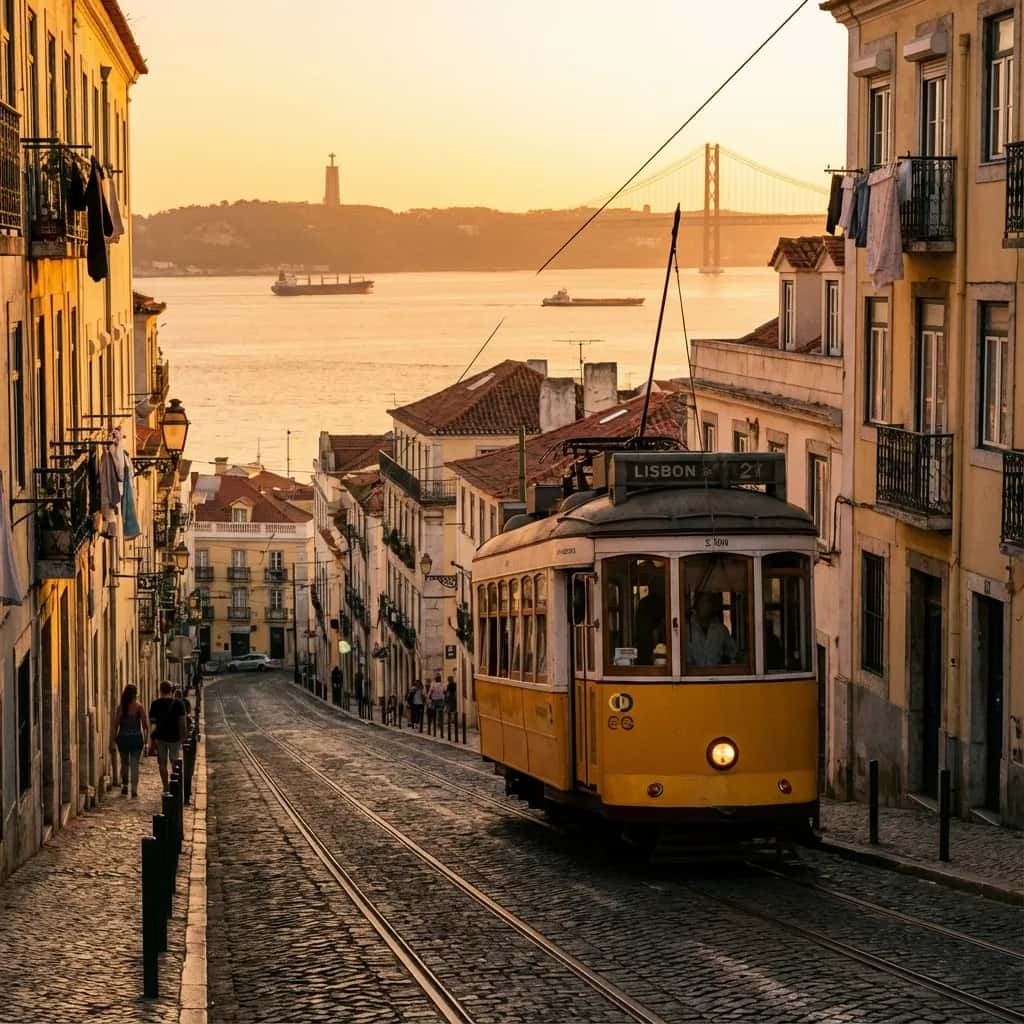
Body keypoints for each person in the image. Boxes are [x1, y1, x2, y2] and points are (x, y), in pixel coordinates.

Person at [149, 681, 187, 791]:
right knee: (174, 761)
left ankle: (165, 786)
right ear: (172, 690)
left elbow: (153, 722)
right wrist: (183, 738)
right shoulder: (179, 704)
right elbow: (182, 723)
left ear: (160, 690)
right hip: (175, 737)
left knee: (162, 763)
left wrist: (152, 740)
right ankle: (175, 785)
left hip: (161, 737)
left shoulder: (155, 704)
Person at [112, 684, 149, 797]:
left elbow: (115, 725)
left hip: (123, 738)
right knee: (134, 764)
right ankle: (134, 789)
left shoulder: (121, 707)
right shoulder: (139, 707)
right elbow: (145, 726)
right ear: (135, 694)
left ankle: (125, 785)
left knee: (124, 763)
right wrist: (146, 741)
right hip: (136, 739)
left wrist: (113, 740)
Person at [687, 592, 737, 668]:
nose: (706, 605)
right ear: (696, 604)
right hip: (692, 677)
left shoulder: (721, 630)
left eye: (708, 601)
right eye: (703, 601)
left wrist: (726, 660)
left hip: (716, 676)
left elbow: (733, 653)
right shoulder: (686, 629)